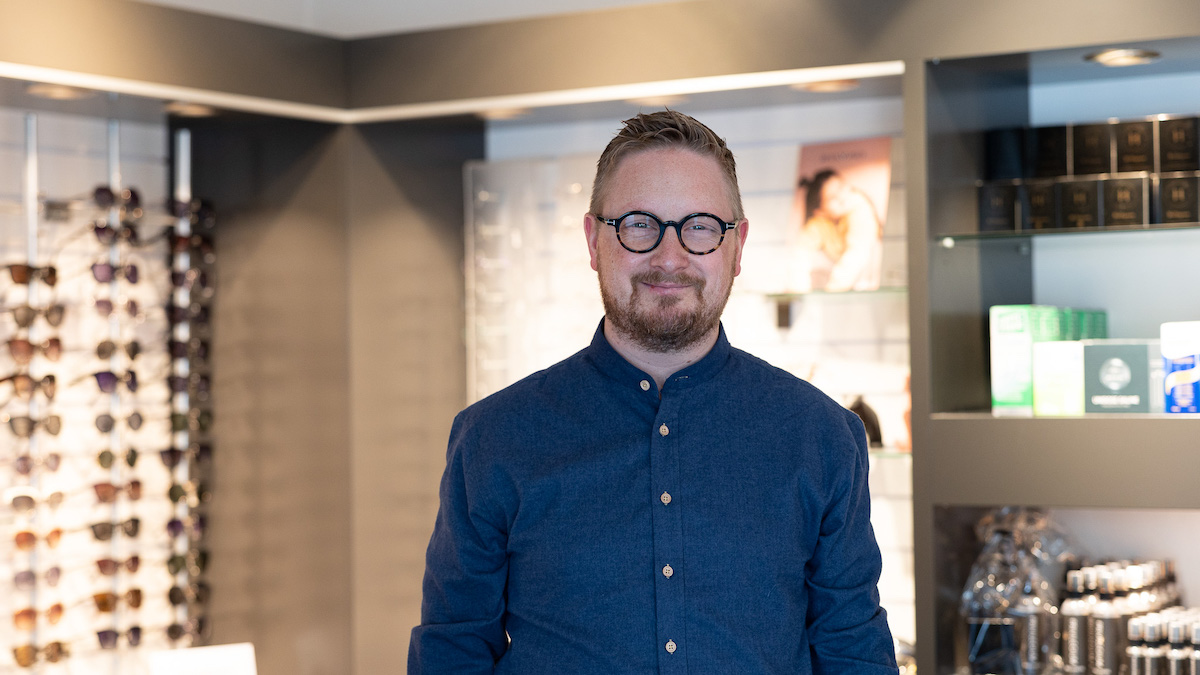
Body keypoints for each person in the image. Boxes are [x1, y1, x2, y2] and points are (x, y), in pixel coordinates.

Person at [409, 110, 897, 674]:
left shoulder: (823, 437)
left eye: (700, 226)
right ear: (593, 240)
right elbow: (452, 651)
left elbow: (853, 652)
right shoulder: (493, 438)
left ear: (737, 247)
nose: (669, 257)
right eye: (639, 224)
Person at [794, 168, 884, 292]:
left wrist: (832, 292)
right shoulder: (817, 223)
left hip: (868, 274)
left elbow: (856, 254)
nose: (841, 197)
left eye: (841, 188)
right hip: (843, 281)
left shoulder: (860, 207)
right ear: (819, 212)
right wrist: (799, 292)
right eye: (832, 198)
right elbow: (800, 255)